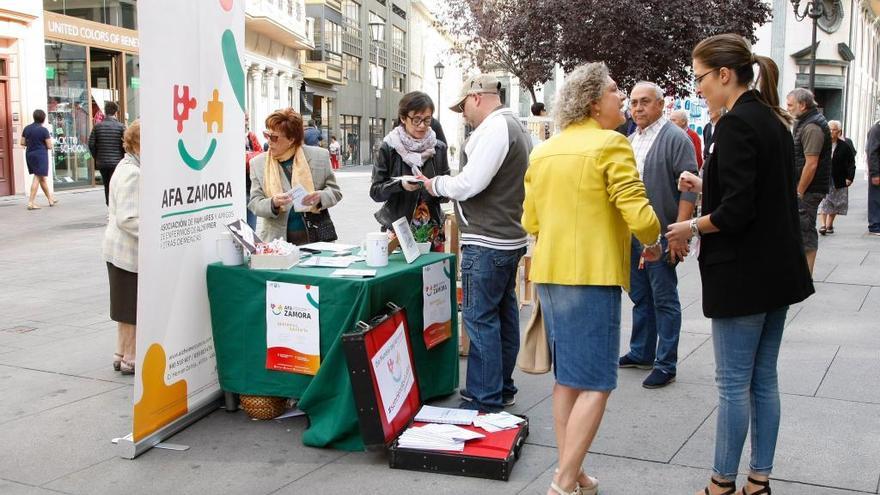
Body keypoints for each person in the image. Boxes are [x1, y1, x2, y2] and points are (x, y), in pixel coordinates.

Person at [666, 34, 814, 495]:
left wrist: (688, 227)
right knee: (763, 379)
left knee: (733, 385)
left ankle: (721, 483)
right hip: (777, 272)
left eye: (701, 77)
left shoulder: (735, 125)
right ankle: (758, 480)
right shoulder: (772, 119)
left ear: (725, 74)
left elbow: (736, 212)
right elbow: (759, 192)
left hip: (743, 274)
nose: (698, 87)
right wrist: (707, 183)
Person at [523, 62, 661, 495]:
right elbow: (638, 211)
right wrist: (654, 240)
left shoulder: (544, 150)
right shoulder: (611, 144)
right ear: (593, 101)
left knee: (569, 379)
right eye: (615, 90)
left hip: (551, 273)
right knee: (597, 383)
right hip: (591, 276)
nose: (622, 97)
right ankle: (563, 483)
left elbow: (530, 220)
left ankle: (574, 472)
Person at [423, 74, 532, 413]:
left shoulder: (495, 128)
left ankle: (485, 397)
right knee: (503, 315)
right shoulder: (515, 126)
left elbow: (470, 183)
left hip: (488, 240)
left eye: (463, 107)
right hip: (506, 237)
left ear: (476, 97)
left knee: (480, 319)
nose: (463, 115)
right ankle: (501, 388)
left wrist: (435, 184)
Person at [618, 81, 698, 389]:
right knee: (640, 296)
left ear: (661, 104)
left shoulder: (675, 138)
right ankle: (642, 351)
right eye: (633, 102)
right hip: (633, 233)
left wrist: (680, 232)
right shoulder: (630, 139)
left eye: (645, 101)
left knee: (664, 298)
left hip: (663, 232)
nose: (637, 108)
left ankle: (666, 363)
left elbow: (688, 187)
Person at [249, 108, 342, 245]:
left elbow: (335, 192)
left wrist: (320, 197)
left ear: (291, 139)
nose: (269, 141)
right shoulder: (258, 163)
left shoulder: (320, 156)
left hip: (317, 239)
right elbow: (254, 203)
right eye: (266, 135)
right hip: (277, 242)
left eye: (274, 137)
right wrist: (273, 203)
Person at [371, 91, 450, 251]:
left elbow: (446, 194)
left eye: (427, 120)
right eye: (416, 120)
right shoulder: (388, 147)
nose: (422, 125)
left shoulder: (438, 148)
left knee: (434, 268)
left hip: (432, 229)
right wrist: (400, 185)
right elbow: (376, 193)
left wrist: (435, 187)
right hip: (397, 229)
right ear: (403, 118)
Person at [103, 120, 142, 375]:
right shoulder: (134, 173)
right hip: (128, 252)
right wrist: (155, 234)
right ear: (137, 144)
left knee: (123, 307)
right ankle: (131, 358)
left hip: (118, 250)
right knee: (130, 310)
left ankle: (120, 353)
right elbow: (127, 218)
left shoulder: (125, 165)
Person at [787, 87, 832, 275]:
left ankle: (806, 277)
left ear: (803, 105)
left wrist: (799, 191)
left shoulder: (812, 126)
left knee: (805, 231)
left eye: (790, 105)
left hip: (809, 189)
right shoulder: (806, 122)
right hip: (807, 188)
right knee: (801, 230)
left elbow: (811, 164)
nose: (788, 108)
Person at [818, 120, 856, 235]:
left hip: (838, 178)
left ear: (839, 132)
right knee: (824, 201)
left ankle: (829, 224)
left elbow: (851, 163)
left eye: (834, 130)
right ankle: (823, 225)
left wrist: (849, 178)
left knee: (836, 202)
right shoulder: (822, 144)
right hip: (824, 178)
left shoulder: (844, 146)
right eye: (829, 129)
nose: (831, 132)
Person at [89, 101, 126, 206]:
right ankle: (116, 206)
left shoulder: (97, 127)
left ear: (105, 112)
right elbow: (126, 144)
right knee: (117, 185)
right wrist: (122, 156)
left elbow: (91, 144)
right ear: (116, 112)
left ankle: (109, 206)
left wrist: (97, 156)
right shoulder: (121, 127)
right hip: (117, 162)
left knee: (107, 185)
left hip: (102, 162)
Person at [20, 109, 57, 210]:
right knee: (37, 177)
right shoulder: (43, 130)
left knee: (41, 178)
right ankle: (31, 202)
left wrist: (32, 143)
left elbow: (22, 143)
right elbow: (49, 146)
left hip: (30, 154)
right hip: (40, 155)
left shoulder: (27, 128)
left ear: (34, 117)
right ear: (43, 119)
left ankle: (50, 199)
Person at [245, 114, 262, 230]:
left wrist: (248, 156)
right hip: (237, 187)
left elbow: (260, 155)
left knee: (251, 228)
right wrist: (252, 157)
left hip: (250, 186)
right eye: (245, 119)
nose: (247, 122)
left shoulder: (251, 136)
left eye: (247, 119)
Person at [866, 119, 880, 235]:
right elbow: (872, 153)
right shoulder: (876, 129)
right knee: (875, 198)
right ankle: (875, 226)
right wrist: (875, 173)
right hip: (877, 171)